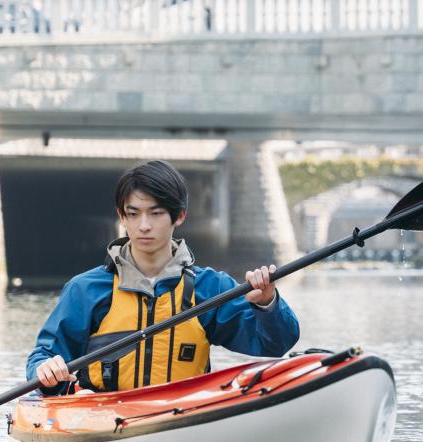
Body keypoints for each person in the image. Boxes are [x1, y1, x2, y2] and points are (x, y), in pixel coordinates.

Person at [27, 160, 299, 394]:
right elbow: (44, 356)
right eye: (133, 214)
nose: (144, 225)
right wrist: (46, 370)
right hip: (102, 418)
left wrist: (267, 304)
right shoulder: (85, 290)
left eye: (156, 213)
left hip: (181, 417)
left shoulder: (209, 288)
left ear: (179, 216)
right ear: (122, 216)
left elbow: (276, 344)